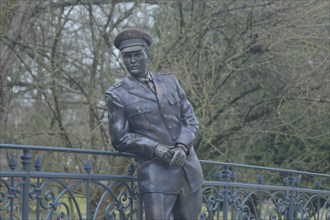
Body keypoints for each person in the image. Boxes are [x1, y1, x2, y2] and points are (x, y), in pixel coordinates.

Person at [105, 28, 204, 220]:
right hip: (156, 177)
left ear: (147, 55)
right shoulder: (117, 94)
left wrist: (183, 147)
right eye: (127, 57)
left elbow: (190, 119)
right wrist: (156, 149)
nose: (132, 61)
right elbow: (119, 138)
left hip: (189, 172)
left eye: (137, 55)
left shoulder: (170, 82)